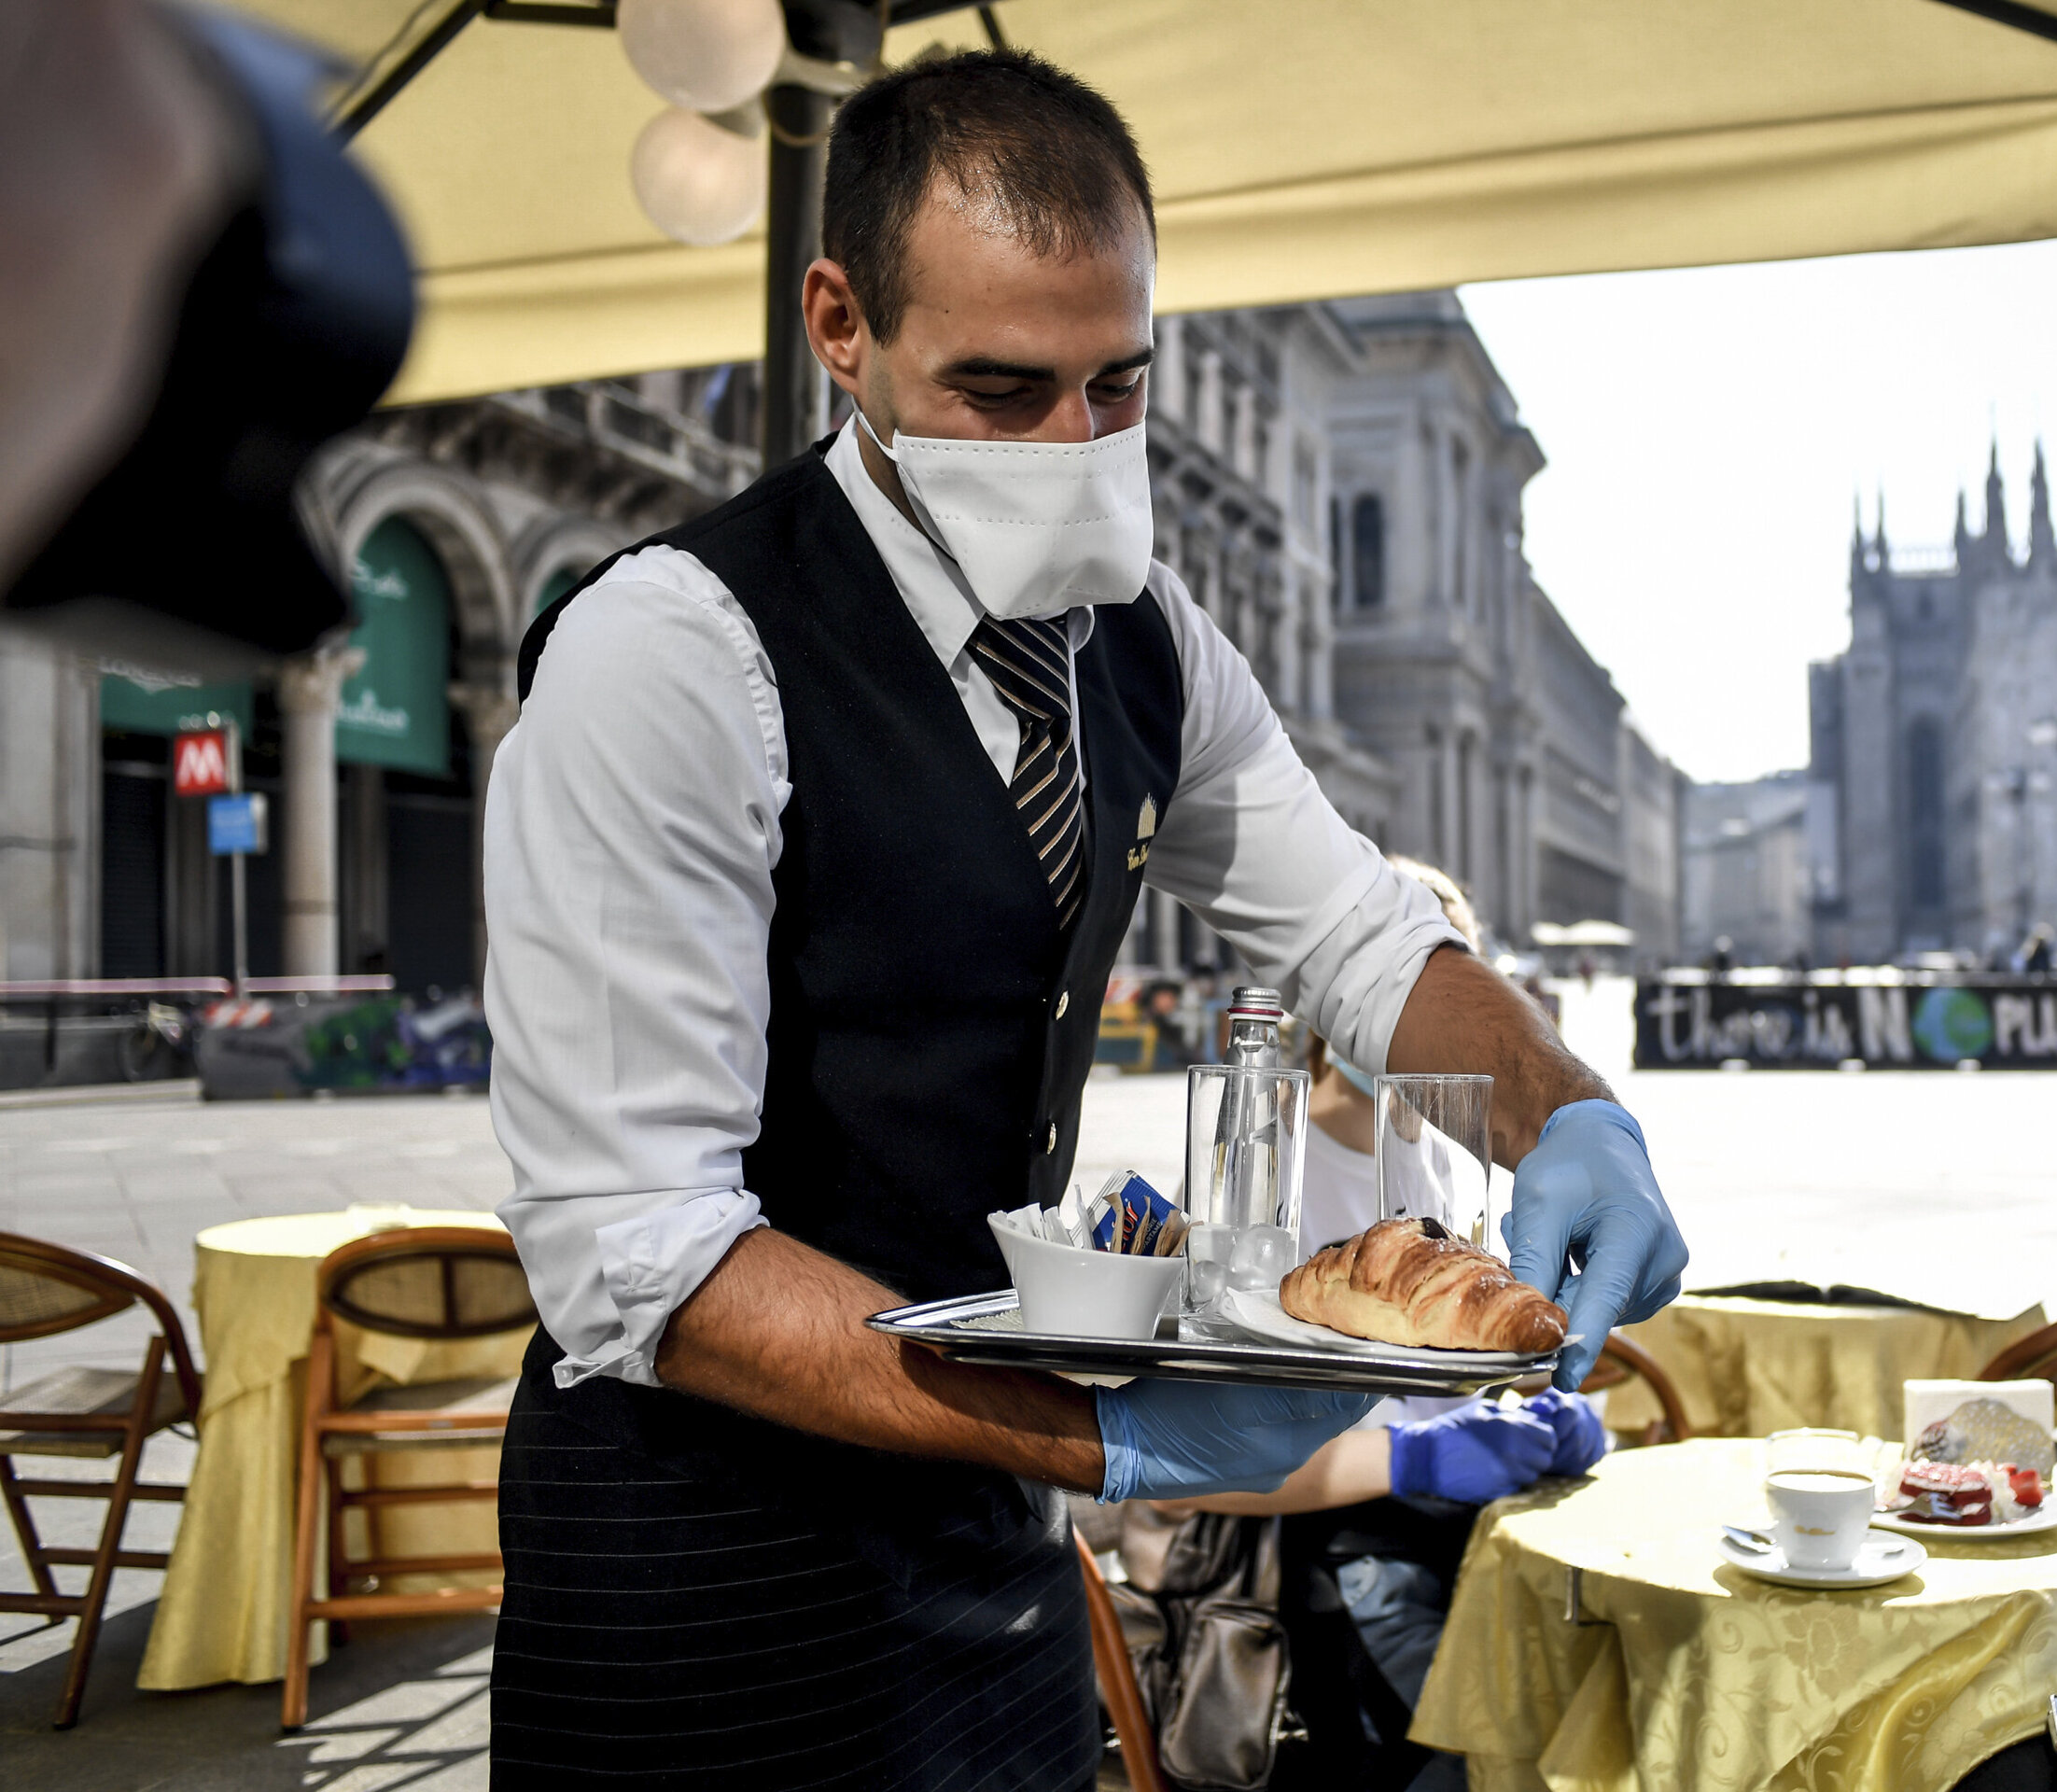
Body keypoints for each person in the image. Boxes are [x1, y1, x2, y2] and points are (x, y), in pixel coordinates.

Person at [480, 49, 1686, 1791]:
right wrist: (1102, 1437)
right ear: (841, 324)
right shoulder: (669, 655)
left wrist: (1572, 1114)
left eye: (1116, 387)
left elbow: (1352, 933)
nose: (1072, 450)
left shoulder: (1150, 637)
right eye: (1000, 388)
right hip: (706, 1591)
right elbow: (636, 1249)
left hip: (988, 1559)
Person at [1167, 858, 1607, 1791]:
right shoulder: (1252, 1179)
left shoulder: (1440, 1166)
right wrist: (1410, 1456)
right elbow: (1190, 1465)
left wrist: (1532, 1401)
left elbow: (1442, 1366)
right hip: (1322, 1564)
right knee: (1486, 1754)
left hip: (1460, 1535)